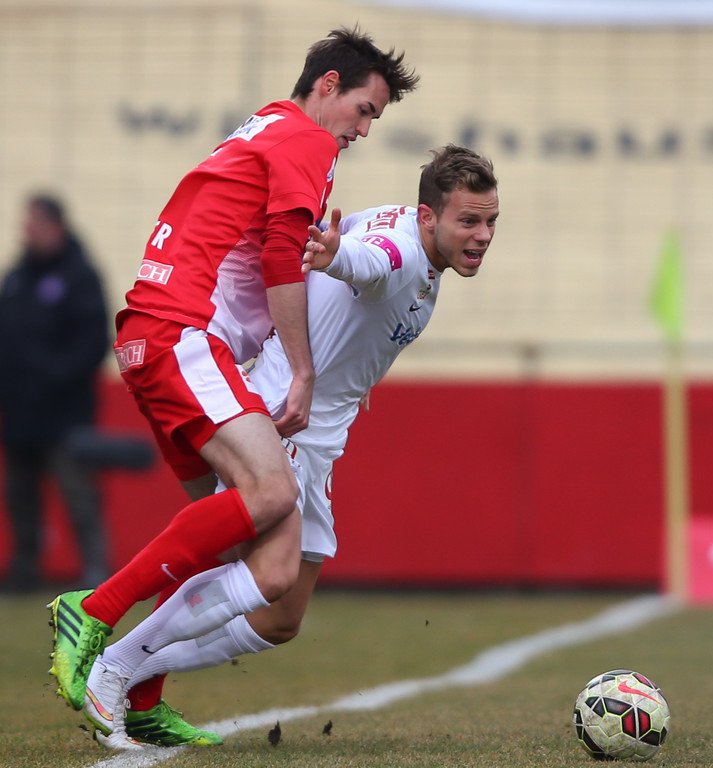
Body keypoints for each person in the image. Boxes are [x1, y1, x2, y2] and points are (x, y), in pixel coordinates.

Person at [47, 26, 418, 719]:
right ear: (329, 85)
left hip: (150, 336)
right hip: (184, 335)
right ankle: (91, 610)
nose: (364, 130)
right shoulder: (306, 139)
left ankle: (140, 692)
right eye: (364, 110)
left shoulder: (269, 126)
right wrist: (302, 372)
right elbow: (279, 256)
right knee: (272, 492)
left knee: (235, 538)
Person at [79, 144, 500, 749]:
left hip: (320, 434)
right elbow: (370, 262)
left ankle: (133, 678)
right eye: (470, 221)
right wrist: (336, 257)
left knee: (280, 618)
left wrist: (351, 366)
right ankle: (116, 665)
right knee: (265, 571)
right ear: (429, 216)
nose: (482, 235)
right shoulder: (405, 251)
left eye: (490, 221)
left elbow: (357, 266)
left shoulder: (408, 230)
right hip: (286, 417)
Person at [0, 194, 109, 591]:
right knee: (20, 497)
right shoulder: (16, 278)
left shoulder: (79, 276)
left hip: (65, 413)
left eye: (34, 223)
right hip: (20, 413)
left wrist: (53, 376)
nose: (27, 231)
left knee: (78, 494)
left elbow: (93, 342)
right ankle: (25, 570)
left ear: (55, 226)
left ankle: (95, 571)